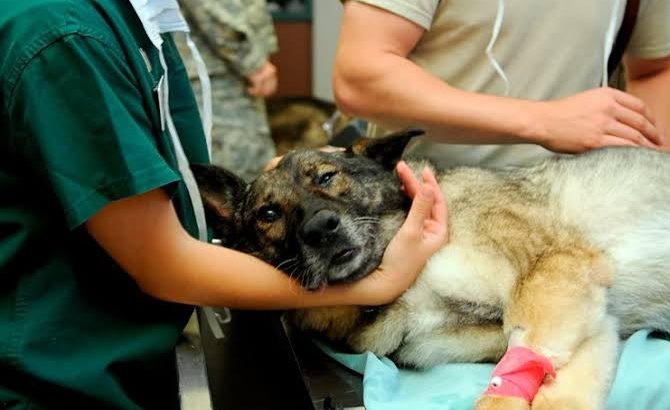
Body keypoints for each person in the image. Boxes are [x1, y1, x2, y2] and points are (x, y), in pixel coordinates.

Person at [0, 1, 448, 409]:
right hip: (60, 377)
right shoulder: (66, 37)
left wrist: (295, 181)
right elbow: (163, 262)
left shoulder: (138, 19)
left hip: (121, 357)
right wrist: (380, 283)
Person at [333, 0, 670, 169]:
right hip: (429, 216)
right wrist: (544, 121)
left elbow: (658, 68)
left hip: (578, 216)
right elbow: (361, 76)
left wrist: (651, 178)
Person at [178, 0, 280, 181]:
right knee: (237, 176)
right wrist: (253, 62)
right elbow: (213, 8)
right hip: (216, 75)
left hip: (219, 70)